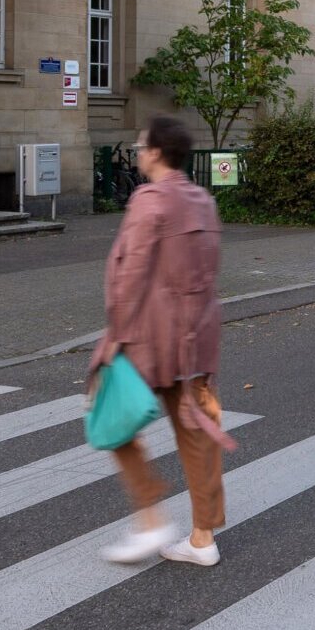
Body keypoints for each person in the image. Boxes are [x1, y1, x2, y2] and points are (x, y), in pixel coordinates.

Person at [94, 115, 231, 568]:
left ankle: (152, 515)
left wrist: (114, 336)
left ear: (155, 152)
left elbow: (128, 274)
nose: (136, 150)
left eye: (140, 144)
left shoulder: (148, 200)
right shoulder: (202, 199)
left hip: (151, 336)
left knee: (111, 415)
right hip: (197, 338)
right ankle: (201, 537)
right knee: (197, 433)